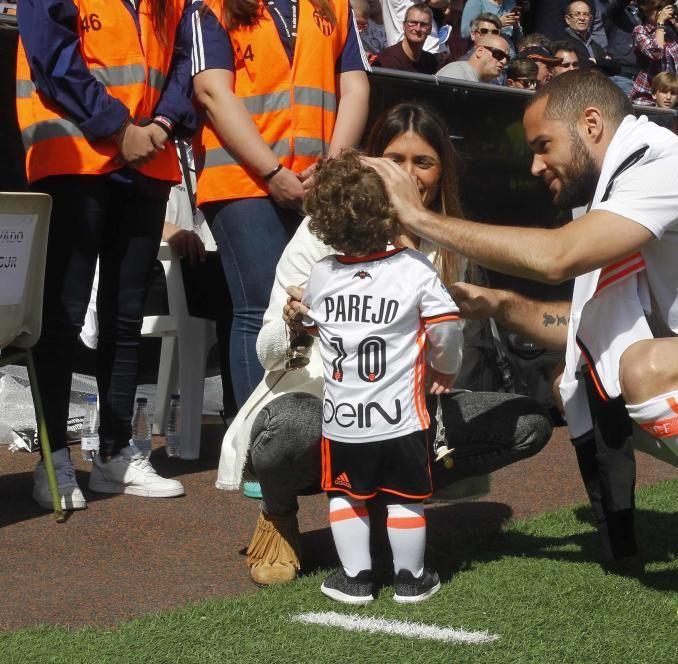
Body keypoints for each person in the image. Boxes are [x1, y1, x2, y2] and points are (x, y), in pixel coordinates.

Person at [365, 70, 678, 621]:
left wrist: (417, 217)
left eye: (543, 146)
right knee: (591, 385)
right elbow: (581, 326)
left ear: (590, 125)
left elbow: (559, 256)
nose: (535, 166)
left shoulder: (664, 167)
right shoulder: (631, 182)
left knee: (644, 370)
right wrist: (498, 305)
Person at [221, 102, 552, 586]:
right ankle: (278, 515)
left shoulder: (444, 240)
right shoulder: (320, 234)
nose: (408, 175)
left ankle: (392, 498)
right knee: (292, 423)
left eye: (424, 162)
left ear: (442, 173)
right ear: (371, 167)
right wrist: (294, 324)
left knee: (527, 421)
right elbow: (268, 355)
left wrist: (432, 268)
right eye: (395, 160)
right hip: (326, 404)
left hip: (406, 410)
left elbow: (449, 361)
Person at [16, 0, 196, 508]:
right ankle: (52, 459)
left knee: (126, 314)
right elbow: (51, 56)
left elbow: (184, 60)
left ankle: (115, 453)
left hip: (148, 157)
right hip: (75, 152)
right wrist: (119, 128)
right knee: (63, 313)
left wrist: (159, 125)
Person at [189, 0, 370, 413]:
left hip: (317, 182)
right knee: (259, 306)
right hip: (241, 179)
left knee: (321, 304)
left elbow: (356, 87)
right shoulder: (211, 7)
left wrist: (331, 168)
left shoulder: (333, 6)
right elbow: (211, 92)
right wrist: (272, 173)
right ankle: (257, 446)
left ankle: (307, 437)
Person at [300, 152, 462, 604]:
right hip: (401, 418)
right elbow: (447, 326)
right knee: (406, 498)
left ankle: (356, 578)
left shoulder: (322, 274)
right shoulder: (414, 268)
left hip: (344, 419)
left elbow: (318, 326)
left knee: (345, 496)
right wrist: (445, 368)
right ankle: (411, 579)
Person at [629, 0, 678, 108]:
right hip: (648, 99)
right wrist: (660, 23)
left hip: (674, 98)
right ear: (646, 11)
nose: (663, 12)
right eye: (659, 9)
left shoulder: (670, 31)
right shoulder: (640, 31)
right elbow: (656, 53)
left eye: (663, 8)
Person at [376, 2, 440, 74]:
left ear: (430, 29)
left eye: (423, 24)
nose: (418, 29)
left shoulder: (430, 61)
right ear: (404, 25)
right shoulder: (388, 59)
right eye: (413, 23)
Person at [562, 0, 619, 76]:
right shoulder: (564, 42)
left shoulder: (594, 44)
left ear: (591, 19)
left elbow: (616, 67)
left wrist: (596, 62)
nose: (582, 18)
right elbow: (582, 66)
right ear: (568, 19)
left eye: (586, 14)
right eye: (577, 14)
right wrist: (602, 62)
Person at [436, 31, 508, 82]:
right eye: (499, 54)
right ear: (480, 51)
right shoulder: (456, 73)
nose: (504, 61)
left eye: (507, 58)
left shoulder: (491, 83)